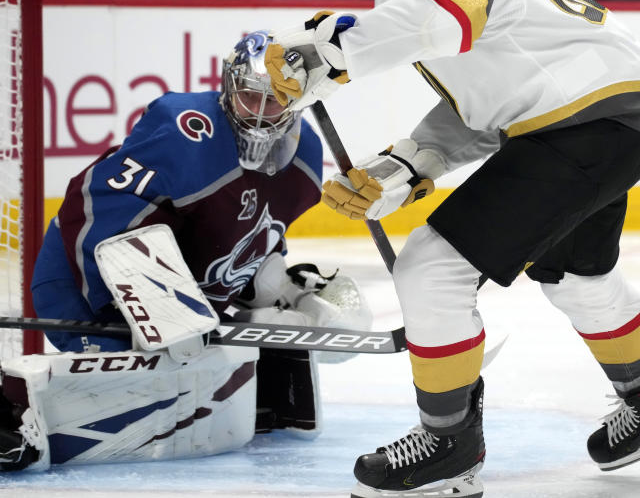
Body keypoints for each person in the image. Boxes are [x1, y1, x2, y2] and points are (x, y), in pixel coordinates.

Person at [268, 0, 640, 497]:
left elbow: (451, 16)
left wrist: (330, 53)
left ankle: (447, 444)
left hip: (583, 125)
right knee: (573, 271)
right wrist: (405, 163)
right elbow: (486, 106)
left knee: (431, 267)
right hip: (608, 116)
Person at [0, 30, 372, 471]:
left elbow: (248, 240)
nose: (261, 113)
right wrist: (164, 306)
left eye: (276, 100)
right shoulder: (185, 127)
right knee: (163, 371)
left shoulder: (306, 158)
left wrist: (286, 295)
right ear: (230, 87)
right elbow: (93, 203)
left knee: (206, 363)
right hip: (81, 282)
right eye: (251, 96)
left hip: (192, 309)